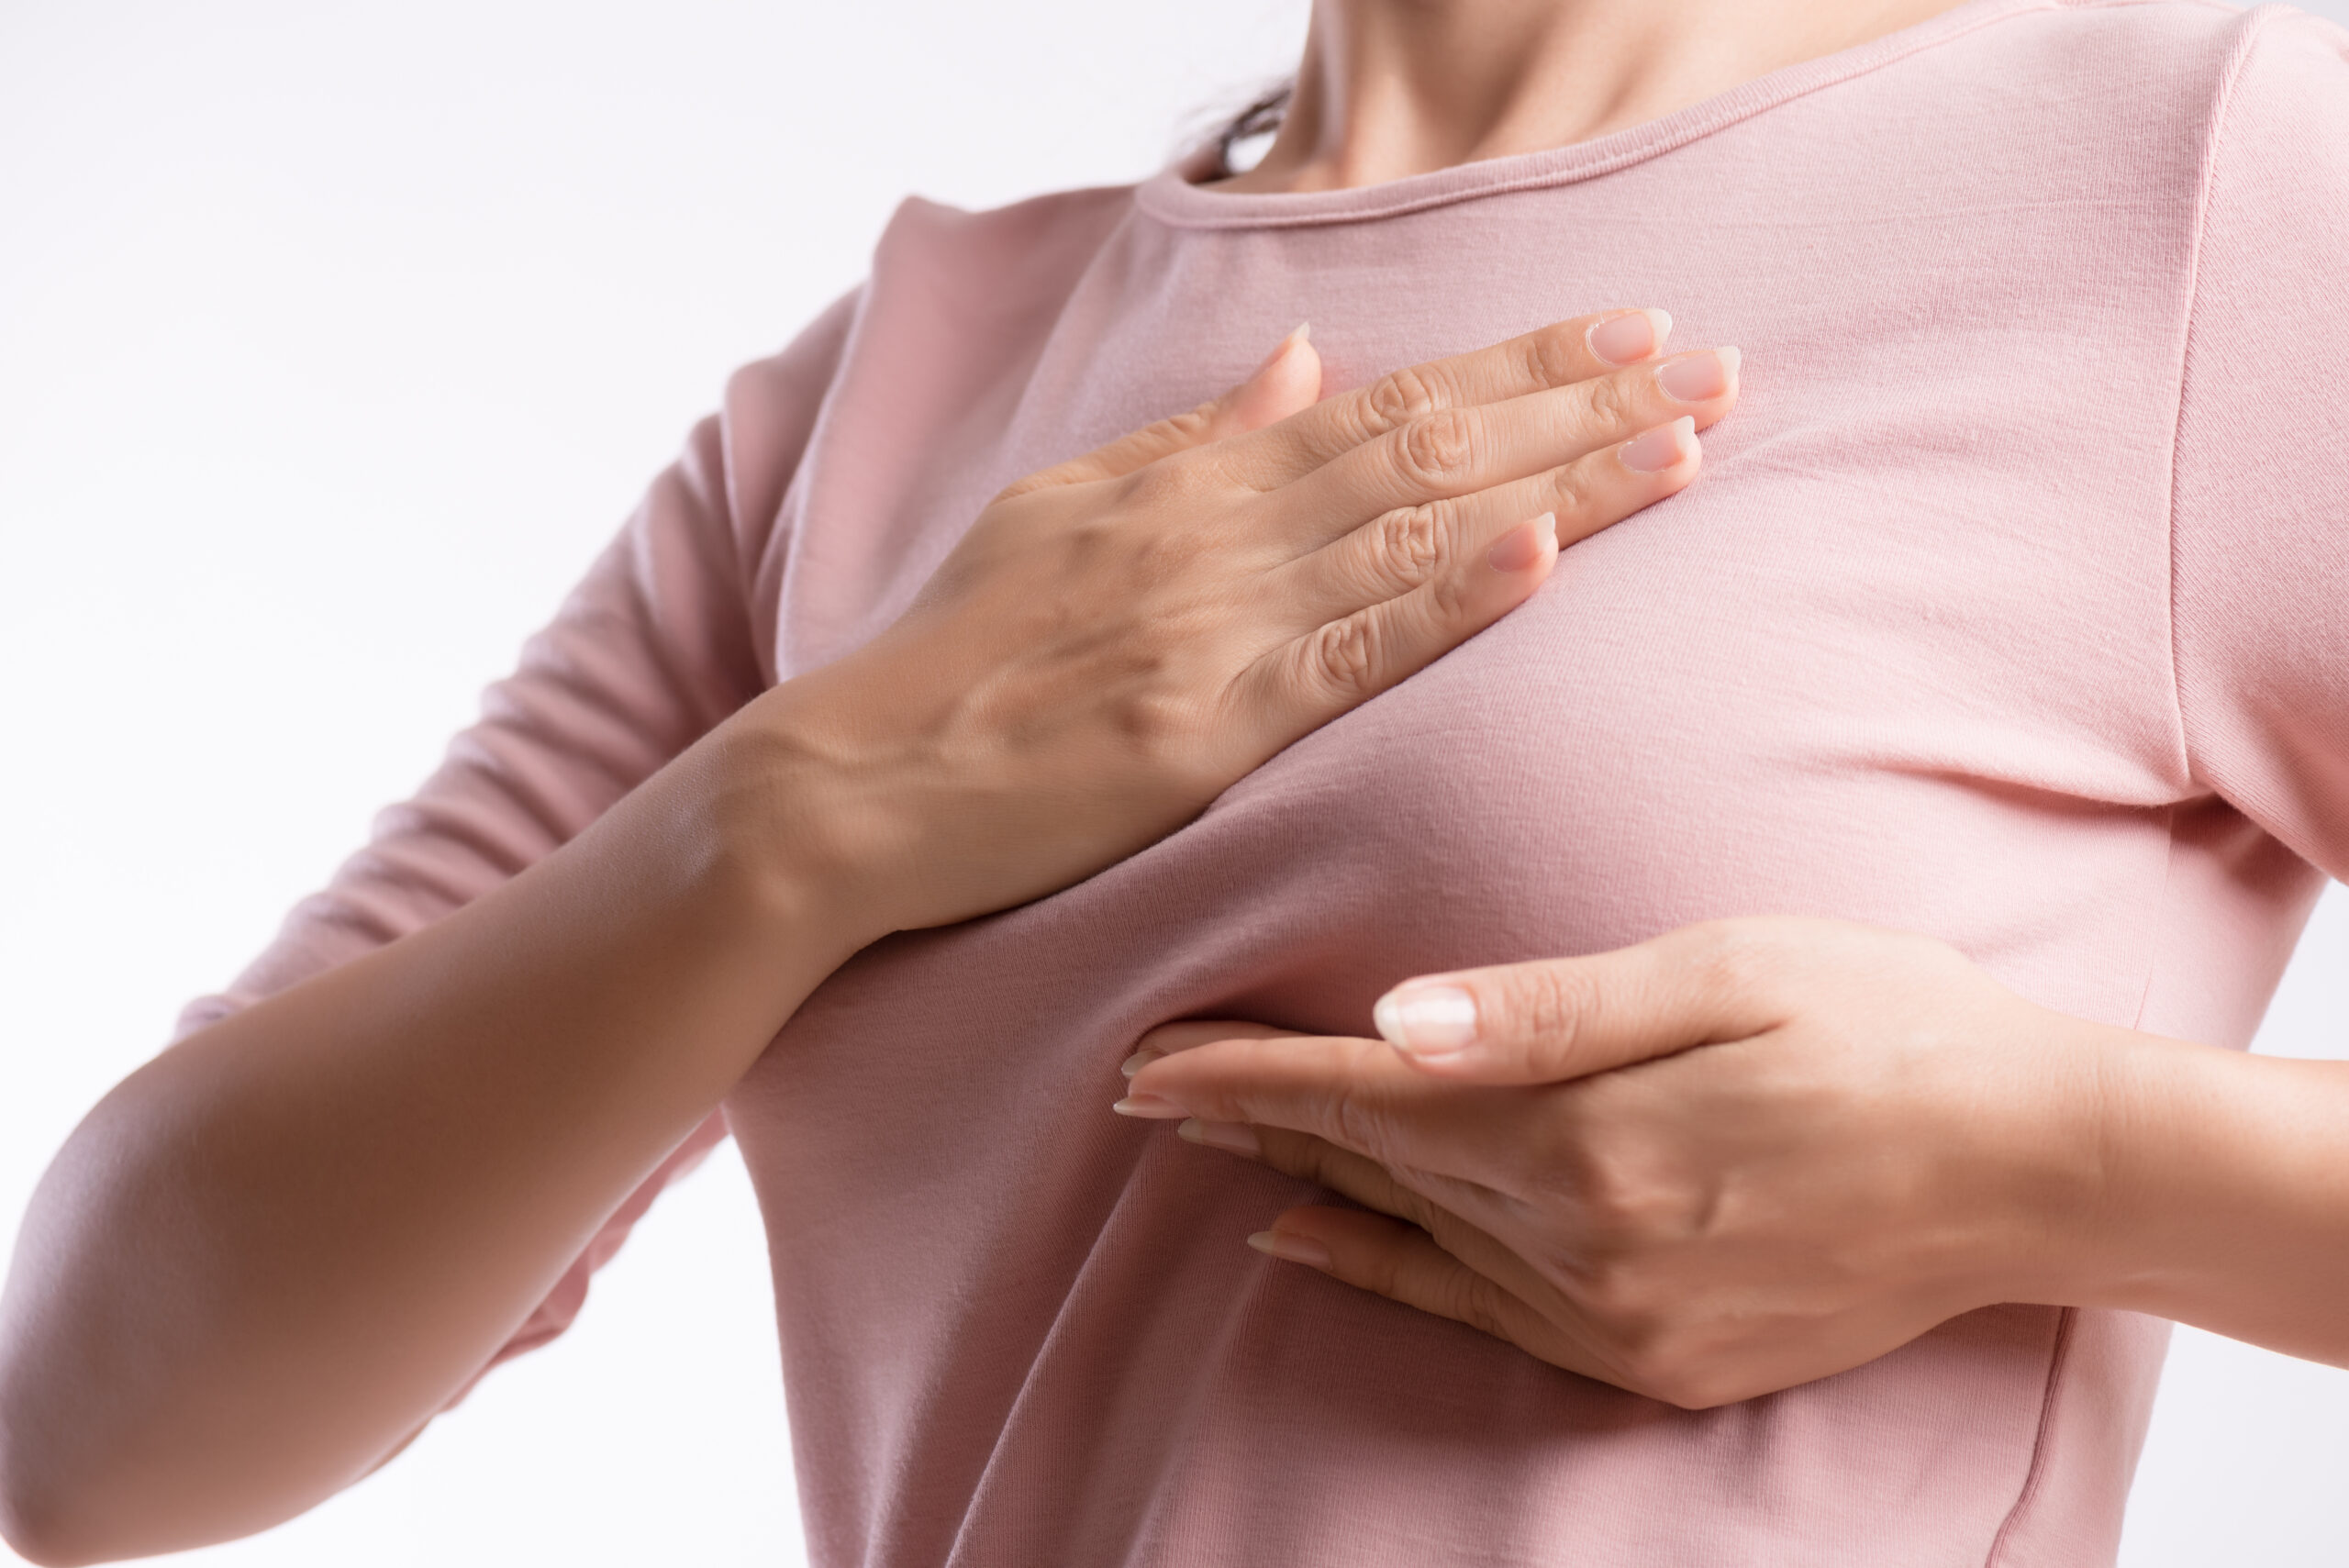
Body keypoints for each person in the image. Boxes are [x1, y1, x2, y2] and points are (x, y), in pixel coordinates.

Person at [4, 0, 2347, 1563]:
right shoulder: (902, 383)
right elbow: (90, 1420)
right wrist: (798, 814)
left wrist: (2053, 1162)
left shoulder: (2198, 192)